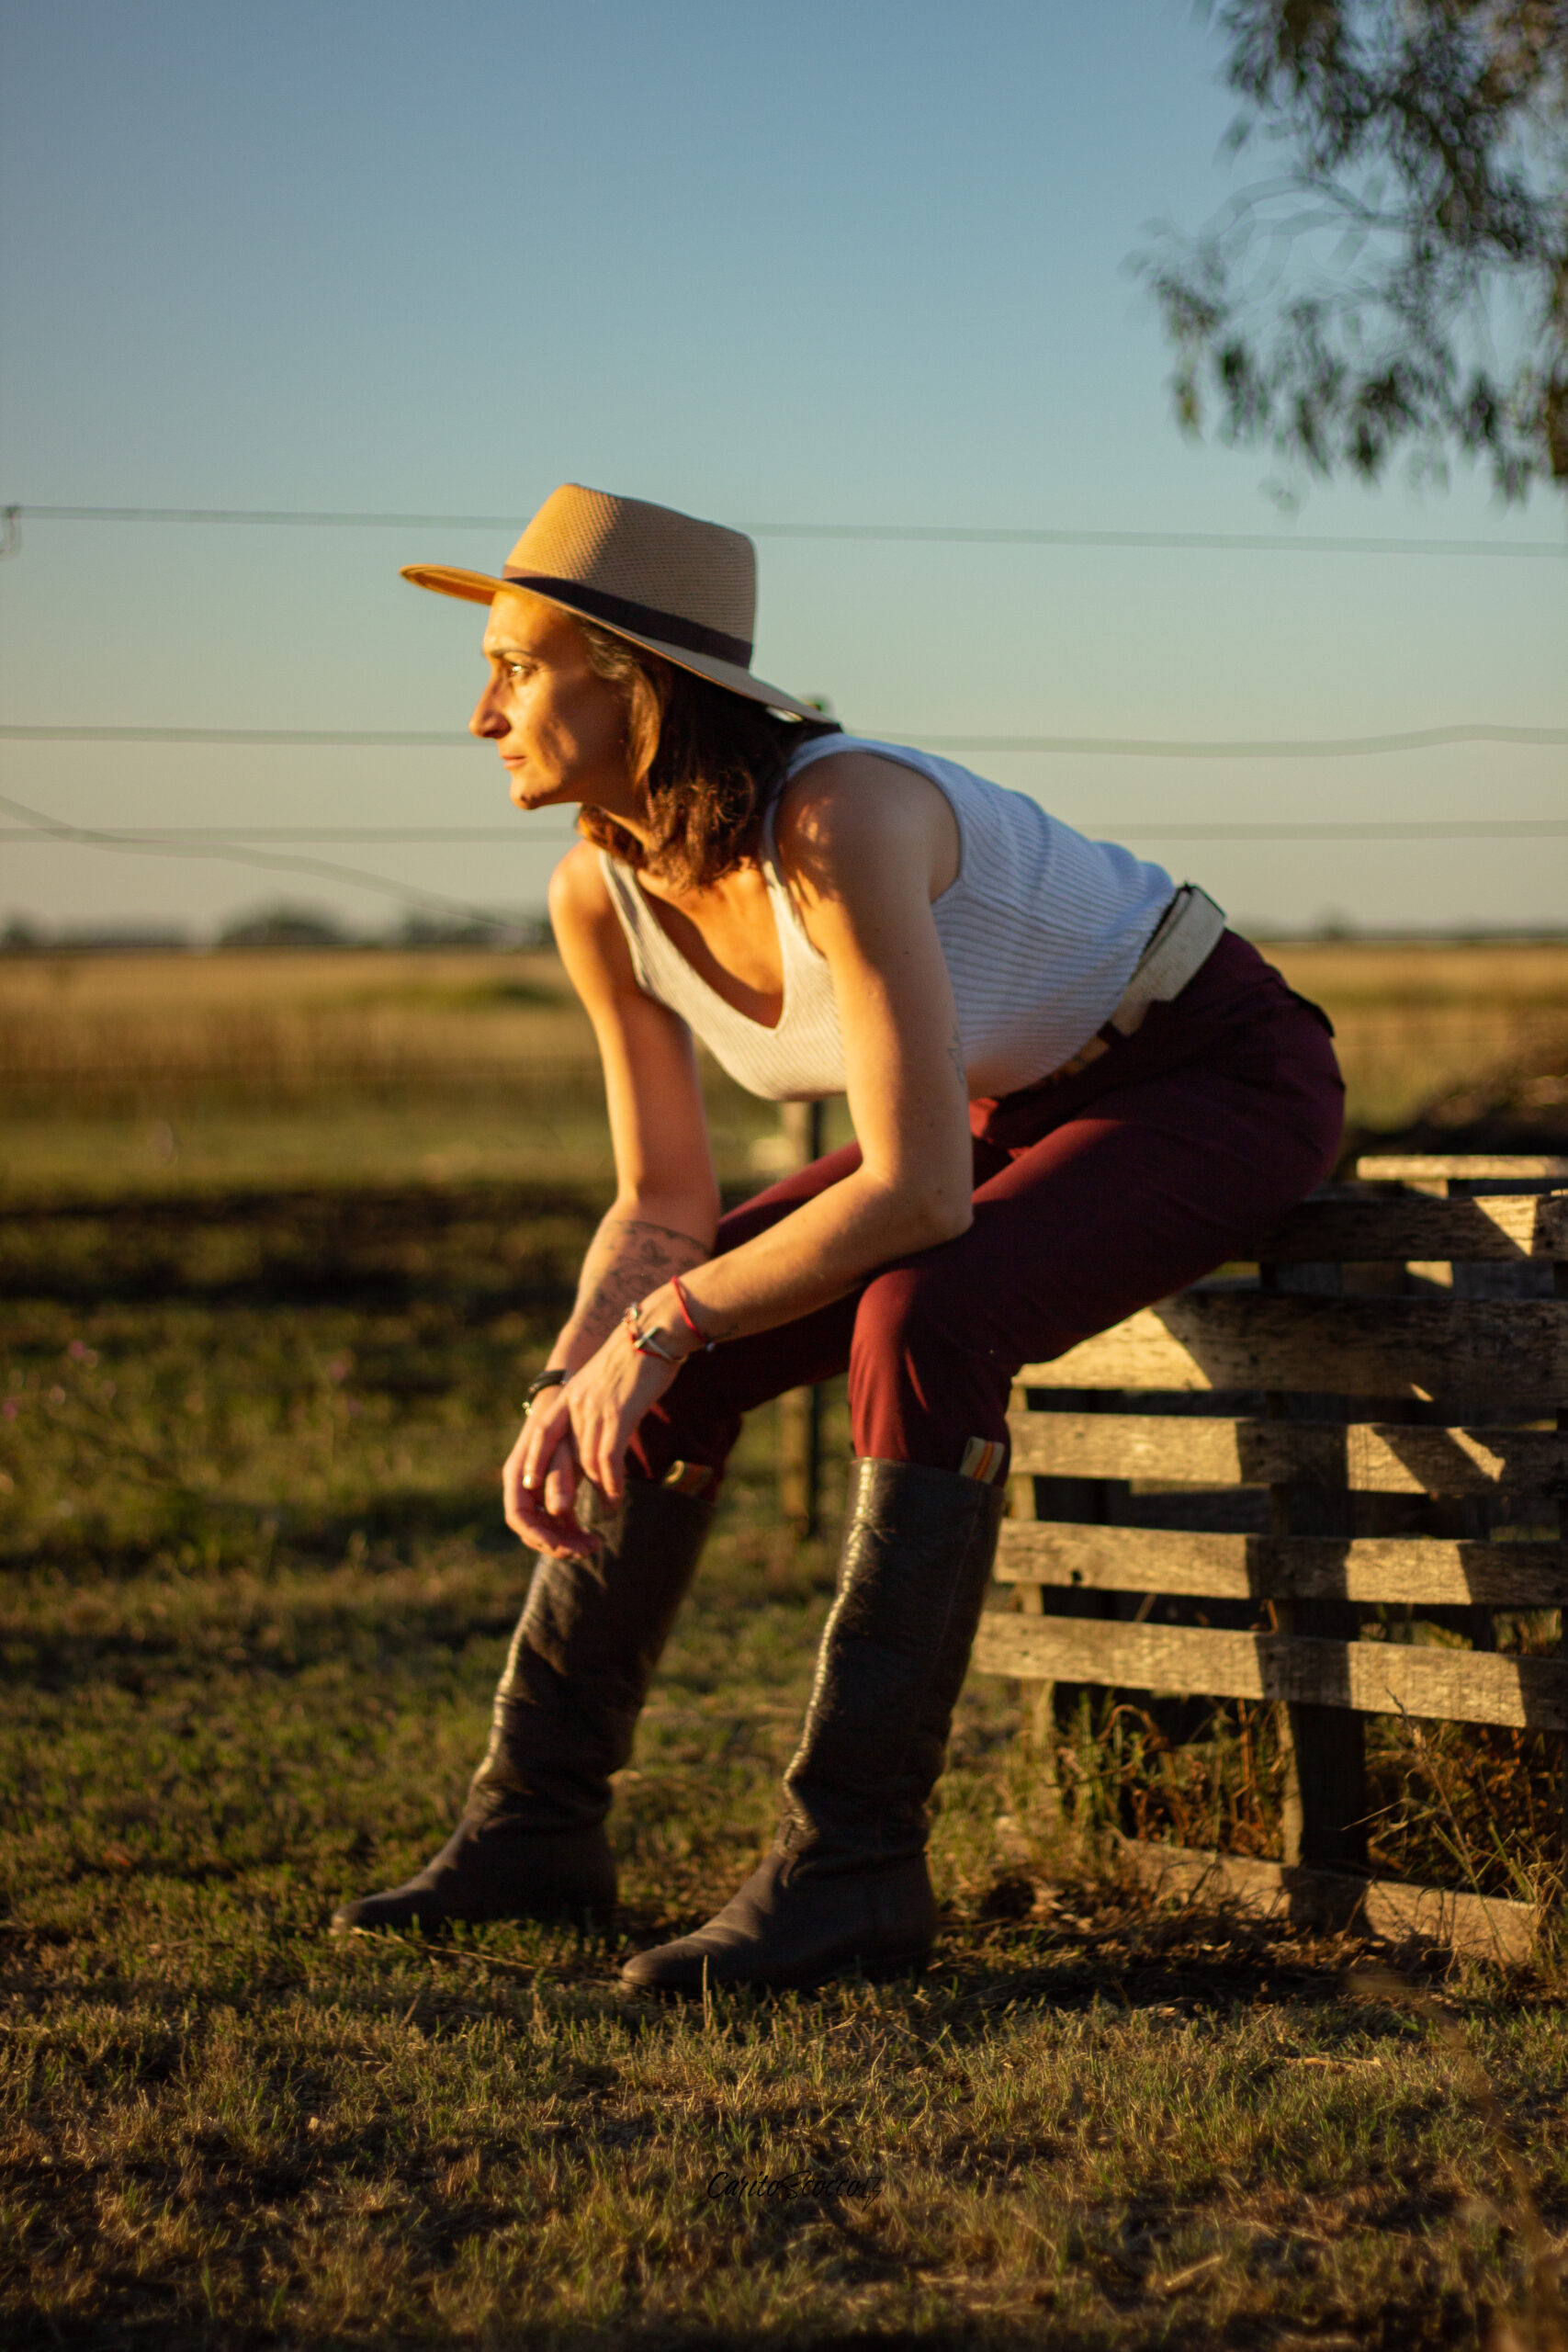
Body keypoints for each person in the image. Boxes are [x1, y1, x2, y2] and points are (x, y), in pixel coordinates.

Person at [331, 483, 1344, 1991]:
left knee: (921, 1314)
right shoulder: (597, 894)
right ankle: (533, 1826)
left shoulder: (838, 818)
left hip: (1211, 1071)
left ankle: (854, 1865)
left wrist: (661, 1327)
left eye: (516, 669)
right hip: (1005, 1106)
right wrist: (576, 1377)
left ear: (633, 686)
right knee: (665, 1353)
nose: (482, 714)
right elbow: (662, 1206)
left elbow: (921, 1198)